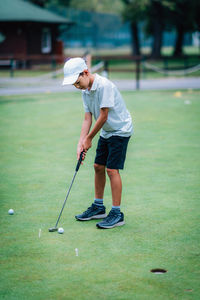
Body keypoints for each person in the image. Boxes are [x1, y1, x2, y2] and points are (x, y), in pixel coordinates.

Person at [62, 57, 133, 229]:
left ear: (85, 73)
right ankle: (99, 207)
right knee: (98, 166)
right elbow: (87, 118)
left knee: (111, 169)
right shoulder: (85, 90)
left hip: (120, 129)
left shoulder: (104, 86)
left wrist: (89, 139)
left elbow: (103, 116)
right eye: (74, 84)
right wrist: (81, 141)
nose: (76, 86)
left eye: (77, 82)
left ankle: (117, 213)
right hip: (107, 131)